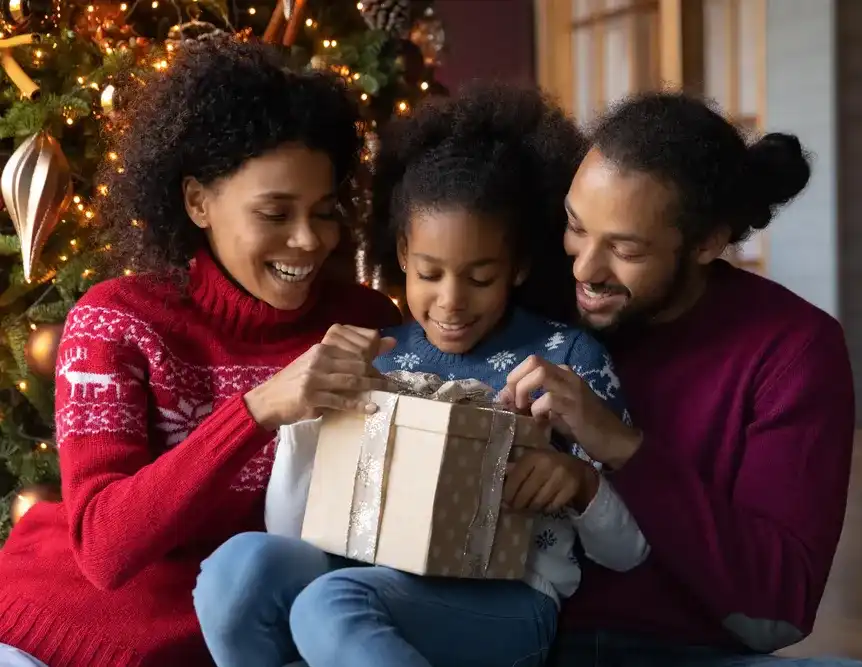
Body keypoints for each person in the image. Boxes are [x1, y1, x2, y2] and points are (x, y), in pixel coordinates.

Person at [193, 83, 649, 667]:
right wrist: (305, 426)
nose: (451, 301)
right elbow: (295, 531)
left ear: (519, 267)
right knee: (238, 568)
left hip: (508, 599)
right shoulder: (379, 352)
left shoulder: (568, 361)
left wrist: (581, 486)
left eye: (480, 278)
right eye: (430, 273)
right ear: (402, 255)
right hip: (369, 570)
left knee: (331, 605)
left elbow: (628, 552)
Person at [0, 37, 400, 667]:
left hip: (238, 631)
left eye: (323, 212)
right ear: (197, 203)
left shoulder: (366, 324)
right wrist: (259, 408)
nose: (308, 240)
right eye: (274, 212)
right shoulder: (114, 320)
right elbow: (104, 547)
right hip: (62, 626)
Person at [498, 92, 862, 667]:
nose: (584, 268)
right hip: (525, 642)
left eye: (624, 248)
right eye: (576, 227)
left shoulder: (794, 348)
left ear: (706, 243)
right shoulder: (530, 299)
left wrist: (623, 447)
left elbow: (779, 607)